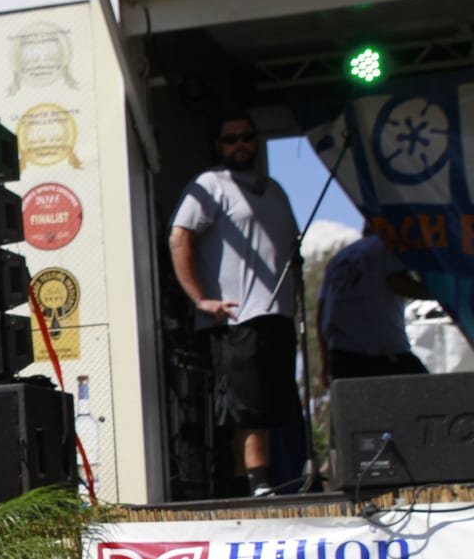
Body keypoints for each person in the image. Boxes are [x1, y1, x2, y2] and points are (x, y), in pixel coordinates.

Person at [168, 112, 303, 497]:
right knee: (246, 407)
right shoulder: (210, 185)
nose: (240, 145)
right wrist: (200, 298)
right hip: (235, 316)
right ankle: (254, 484)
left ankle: (273, 476)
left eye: (247, 137)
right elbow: (180, 237)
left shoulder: (273, 189)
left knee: (277, 402)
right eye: (231, 139)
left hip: (276, 314)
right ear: (218, 145)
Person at [317, 226, 430, 382]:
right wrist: (439, 295)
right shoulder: (385, 246)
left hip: (342, 352)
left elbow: (321, 312)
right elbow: (398, 282)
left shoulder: (337, 259)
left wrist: (326, 360)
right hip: (383, 350)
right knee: (428, 394)